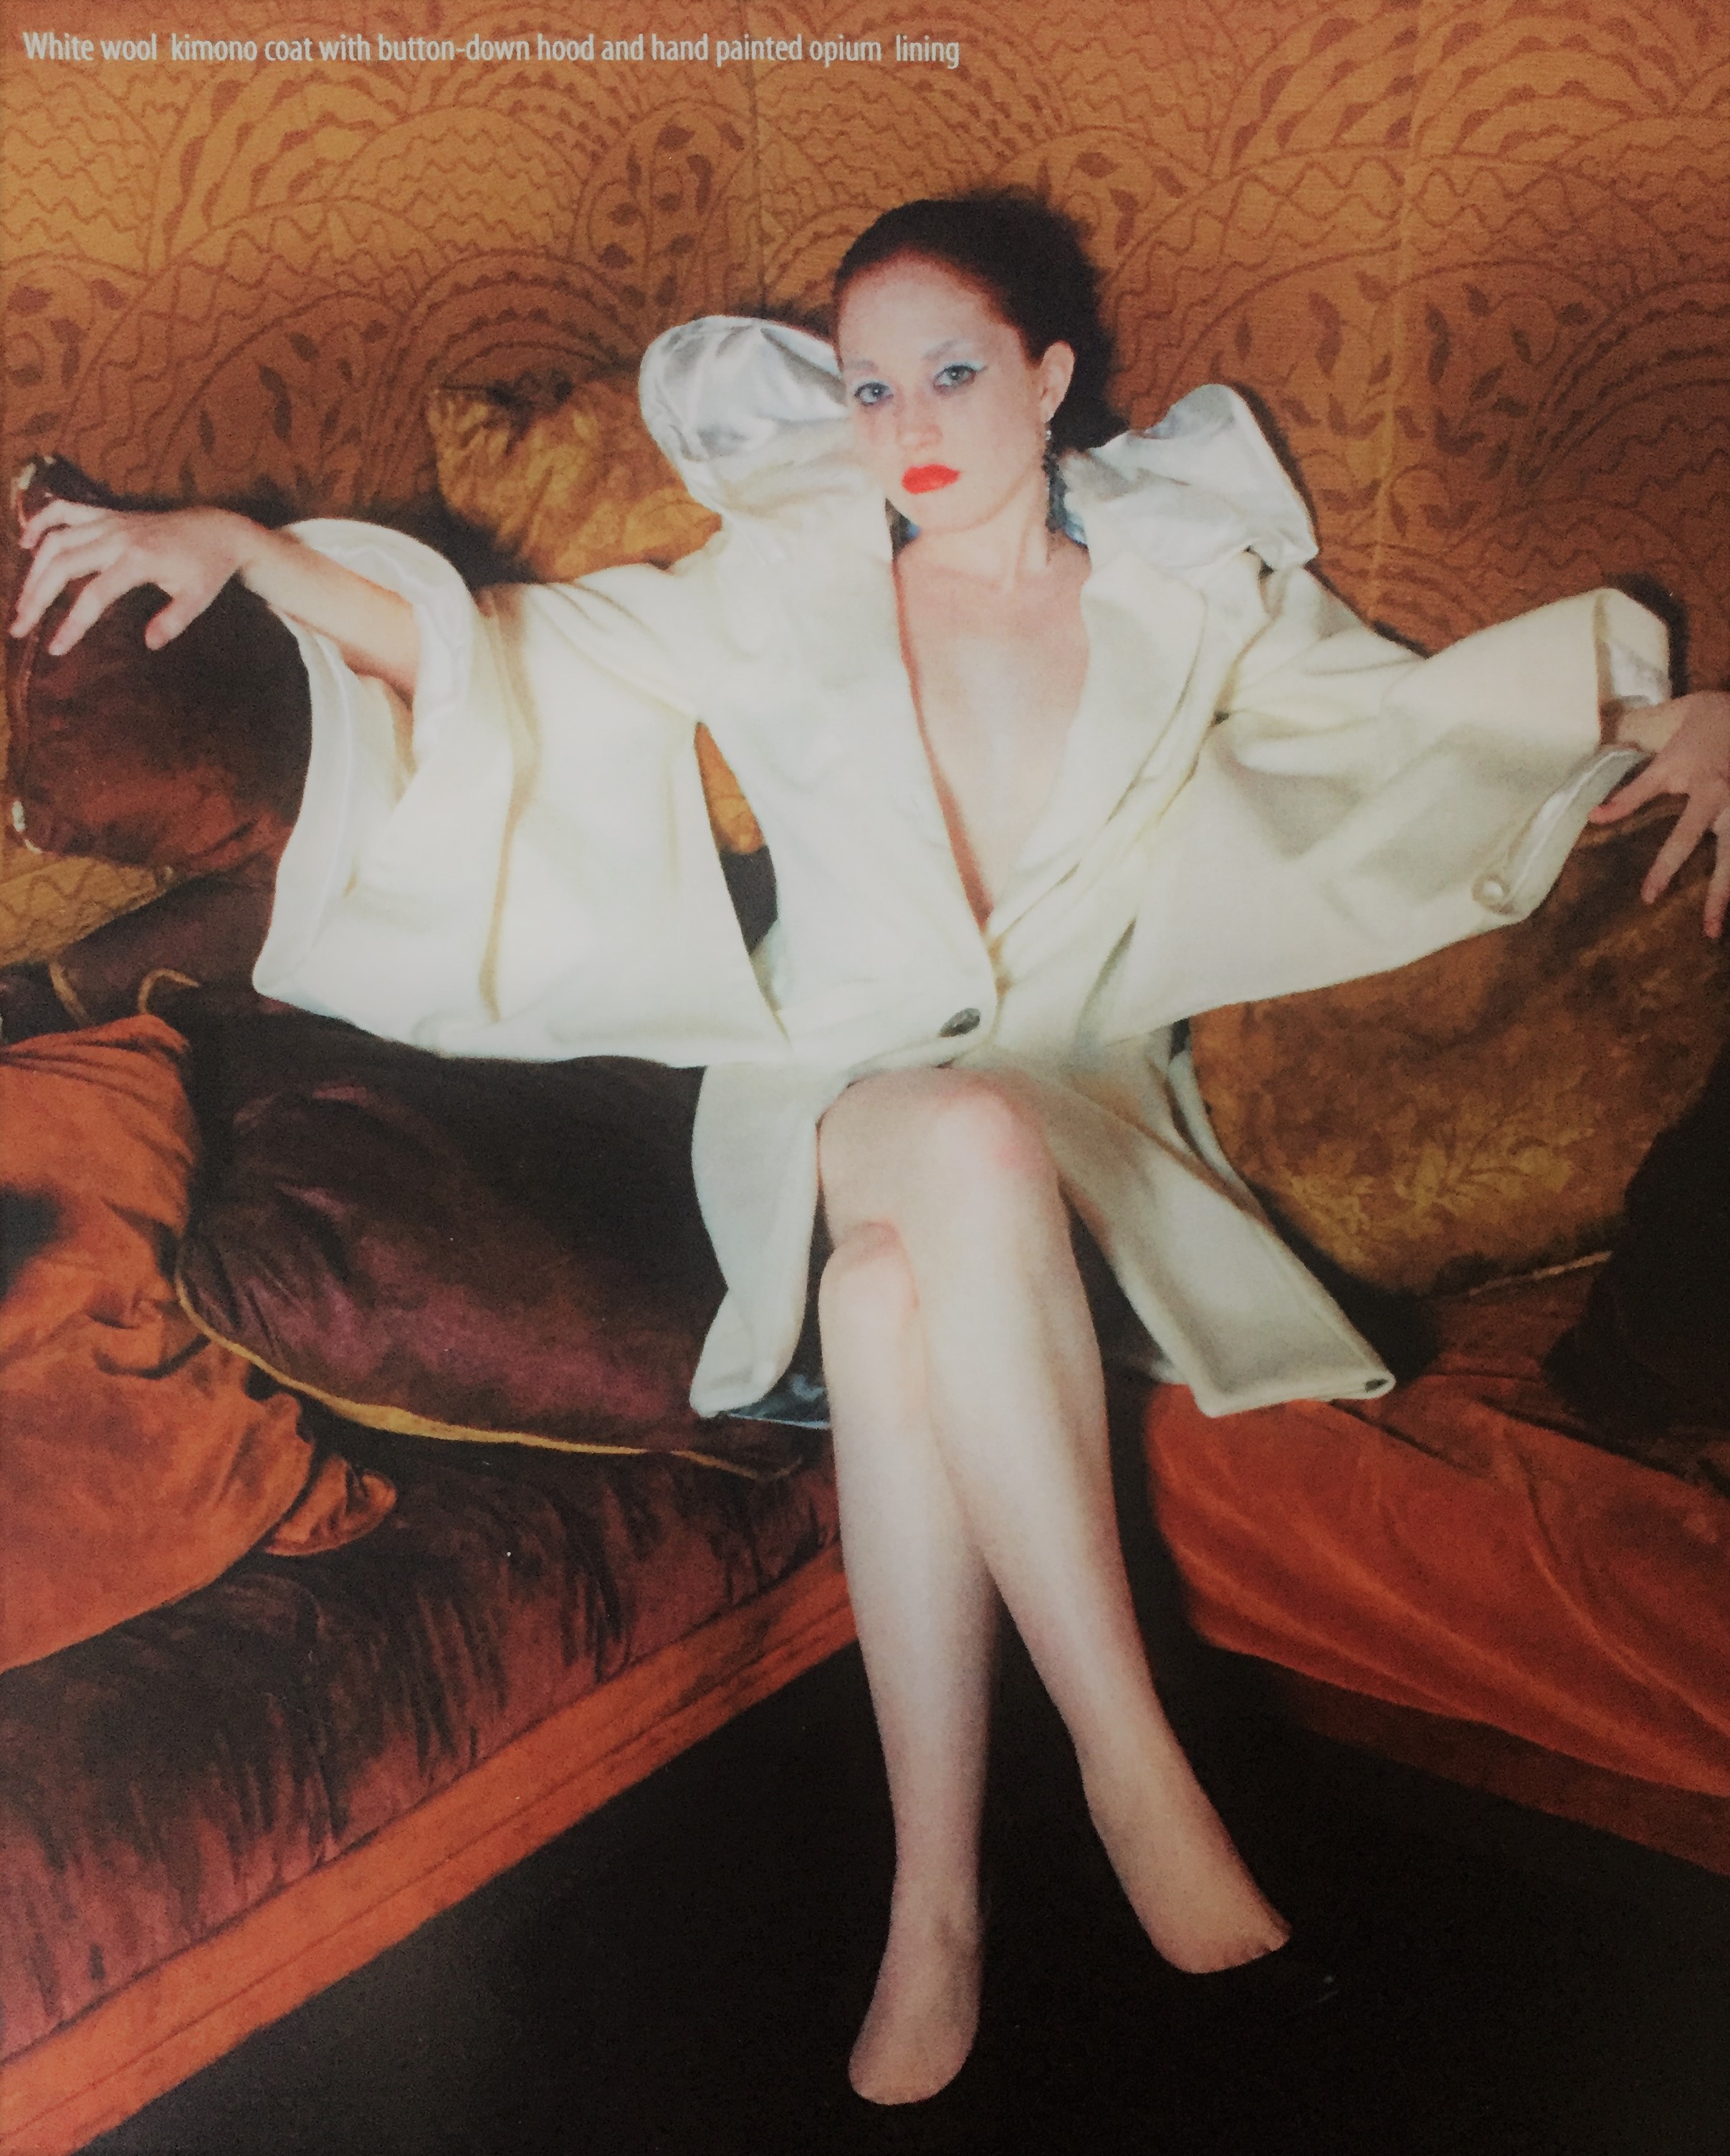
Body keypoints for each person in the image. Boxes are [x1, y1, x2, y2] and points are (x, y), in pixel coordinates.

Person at [12, 193, 1730, 2107]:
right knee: (948, 1145)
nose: (904, 423)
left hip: (1086, 1110)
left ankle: (937, 1905)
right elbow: (501, 652)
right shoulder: (792, 581)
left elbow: (1406, 734)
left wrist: (1679, 718)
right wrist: (246, 547)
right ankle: (1137, 1775)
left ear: (1050, 380)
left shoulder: (1194, 589)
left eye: (952, 373)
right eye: (868, 384)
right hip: (822, 1092)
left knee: (897, 1298)